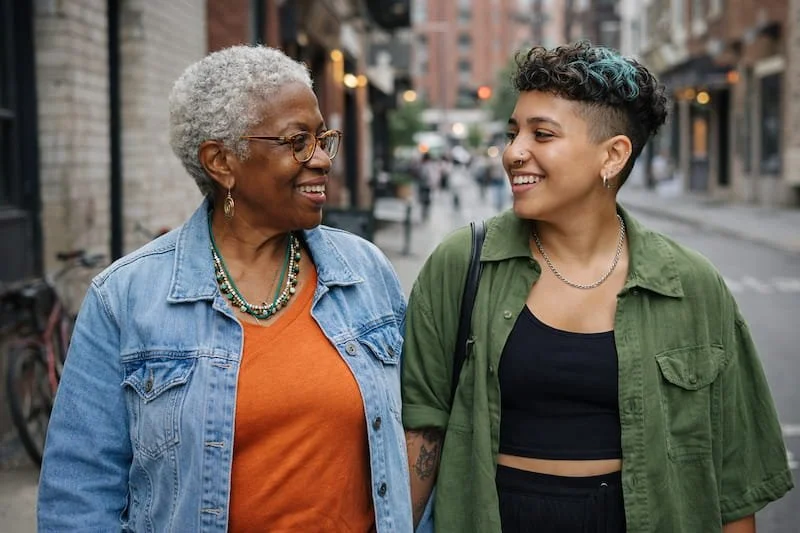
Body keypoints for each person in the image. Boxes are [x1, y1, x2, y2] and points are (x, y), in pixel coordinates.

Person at [402, 42, 793, 533]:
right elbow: (421, 433)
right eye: (513, 133)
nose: (512, 153)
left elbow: (735, 479)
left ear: (613, 155)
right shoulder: (462, 264)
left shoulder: (691, 285)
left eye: (541, 134)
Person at [38, 45, 413, 532]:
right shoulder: (125, 298)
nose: (321, 159)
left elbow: (414, 441)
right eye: (297, 141)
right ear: (221, 161)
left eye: (323, 139)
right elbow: (78, 495)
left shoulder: (365, 273)